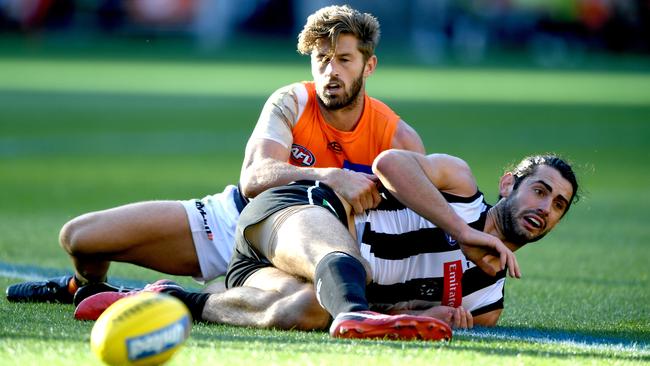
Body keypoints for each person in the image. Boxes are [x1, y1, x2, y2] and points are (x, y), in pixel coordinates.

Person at [7, 4, 438, 304]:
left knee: (309, 304)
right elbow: (254, 177)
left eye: (344, 59)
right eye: (322, 59)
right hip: (237, 220)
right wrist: (330, 176)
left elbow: (421, 230)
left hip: (314, 256)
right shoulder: (290, 102)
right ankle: (82, 288)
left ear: (369, 66)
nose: (331, 72)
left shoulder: (397, 137)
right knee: (80, 237)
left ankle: (187, 299)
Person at [75, 151, 579, 341]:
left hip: (275, 276)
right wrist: (464, 230)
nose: (545, 207)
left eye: (558, 205)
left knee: (309, 308)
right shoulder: (459, 185)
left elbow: (397, 302)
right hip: (289, 213)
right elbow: (389, 163)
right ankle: (353, 315)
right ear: (510, 183)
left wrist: (413, 307)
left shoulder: (484, 307)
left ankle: (168, 299)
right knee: (79, 238)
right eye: (540, 190)